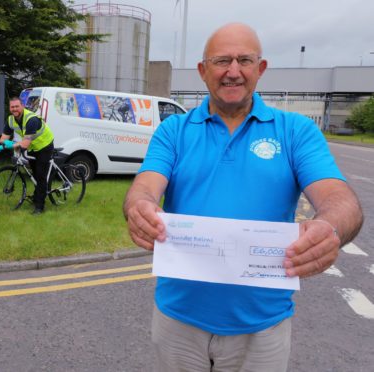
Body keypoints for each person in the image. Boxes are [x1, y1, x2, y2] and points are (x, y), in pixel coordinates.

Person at [123, 23, 363, 372]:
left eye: (244, 60)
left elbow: (340, 200)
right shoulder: (173, 131)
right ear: (203, 71)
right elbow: (144, 187)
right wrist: (139, 206)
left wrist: (331, 228)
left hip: (262, 330)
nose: (233, 71)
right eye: (221, 61)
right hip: (177, 323)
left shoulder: (296, 131)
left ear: (260, 69)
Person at [0, 97, 55, 215]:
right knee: (34, 173)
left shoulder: (31, 119)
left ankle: (39, 207)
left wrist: (12, 144)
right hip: (32, 147)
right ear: (10, 108)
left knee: (40, 176)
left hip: (44, 145)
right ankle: (37, 195)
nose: (14, 109)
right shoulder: (11, 120)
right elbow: (2, 139)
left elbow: (24, 144)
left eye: (17, 106)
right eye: (12, 107)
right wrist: (5, 143)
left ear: (22, 106)